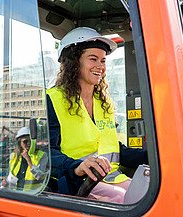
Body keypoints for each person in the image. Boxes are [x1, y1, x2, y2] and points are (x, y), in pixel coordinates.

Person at [46, 27, 131, 203]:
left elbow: (114, 148)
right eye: (93, 59)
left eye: (103, 61)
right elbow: (45, 153)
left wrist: (156, 153)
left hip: (109, 177)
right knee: (123, 199)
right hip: (73, 182)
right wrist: (76, 167)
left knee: (148, 191)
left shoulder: (103, 103)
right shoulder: (53, 99)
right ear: (74, 62)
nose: (100, 66)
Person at [1, 127, 48, 191]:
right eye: (25, 142)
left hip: (33, 194)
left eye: (30, 141)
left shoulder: (42, 155)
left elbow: (40, 176)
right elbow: (11, 176)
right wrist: (5, 183)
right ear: (19, 143)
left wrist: (28, 160)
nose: (28, 143)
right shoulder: (14, 156)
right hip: (16, 193)